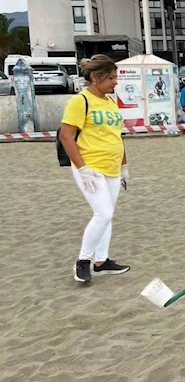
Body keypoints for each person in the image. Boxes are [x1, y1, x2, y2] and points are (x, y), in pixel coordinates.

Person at [59, 55, 130, 283]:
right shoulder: (80, 101)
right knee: (103, 213)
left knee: (107, 216)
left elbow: (117, 135)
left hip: (112, 166)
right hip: (91, 166)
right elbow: (66, 136)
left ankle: (102, 261)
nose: (115, 82)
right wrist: (82, 169)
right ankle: (83, 260)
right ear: (94, 77)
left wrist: (124, 165)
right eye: (111, 78)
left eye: (115, 77)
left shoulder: (110, 102)